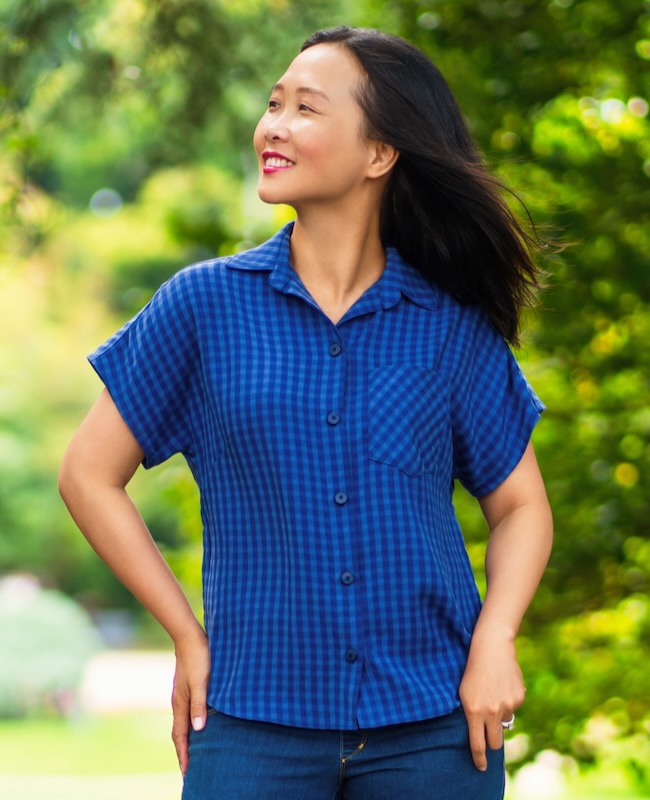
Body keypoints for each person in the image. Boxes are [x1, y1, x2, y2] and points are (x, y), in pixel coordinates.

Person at [59, 26, 553, 800]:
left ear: (379, 153)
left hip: (433, 731)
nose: (274, 126)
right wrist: (185, 635)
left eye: (306, 109)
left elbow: (521, 504)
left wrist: (496, 639)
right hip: (252, 728)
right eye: (273, 103)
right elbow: (88, 474)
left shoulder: (449, 322)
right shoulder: (202, 307)